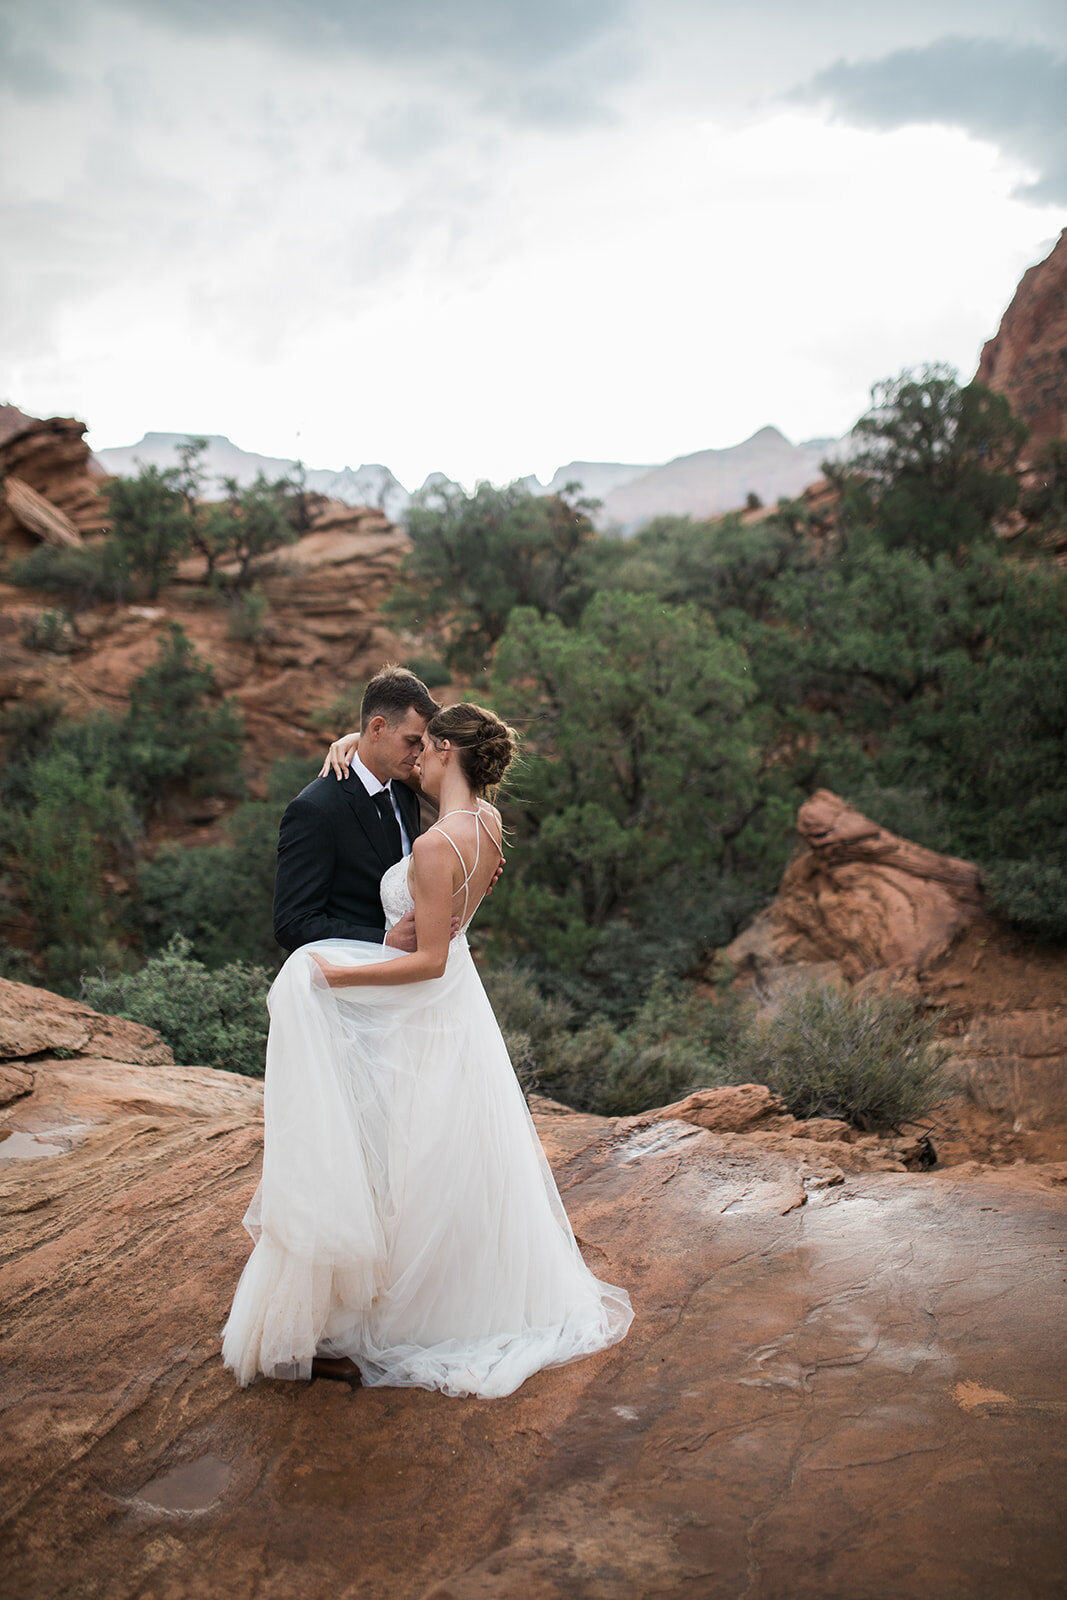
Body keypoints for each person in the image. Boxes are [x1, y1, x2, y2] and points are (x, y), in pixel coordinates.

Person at [221, 699, 633, 1397]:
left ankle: (401, 1308)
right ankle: (431, 1288)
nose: (415, 757)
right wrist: (353, 737)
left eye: (425, 747)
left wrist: (334, 971)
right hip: (454, 1012)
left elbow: (430, 958)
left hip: (421, 1004)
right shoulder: (487, 822)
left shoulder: (438, 843)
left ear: (444, 750)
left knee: (403, 1159)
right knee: (435, 1158)